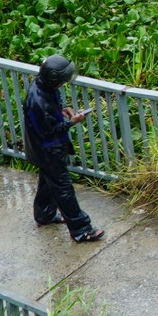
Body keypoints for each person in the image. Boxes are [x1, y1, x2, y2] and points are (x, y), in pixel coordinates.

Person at [22, 54, 104, 243]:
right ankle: (81, 229)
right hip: (48, 150)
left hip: (43, 149)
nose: (62, 84)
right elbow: (48, 131)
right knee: (63, 188)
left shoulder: (43, 87)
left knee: (48, 182)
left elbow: (51, 104)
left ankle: (45, 214)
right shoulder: (37, 102)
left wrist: (62, 108)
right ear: (53, 79)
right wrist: (72, 122)